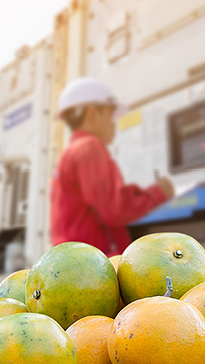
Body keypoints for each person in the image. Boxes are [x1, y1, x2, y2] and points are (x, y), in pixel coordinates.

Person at [50, 78, 174, 256]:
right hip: (96, 263)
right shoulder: (89, 147)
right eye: (110, 115)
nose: (114, 123)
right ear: (92, 114)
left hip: (76, 261)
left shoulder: (69, 153)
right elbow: (113, 209)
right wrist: (159, 193)